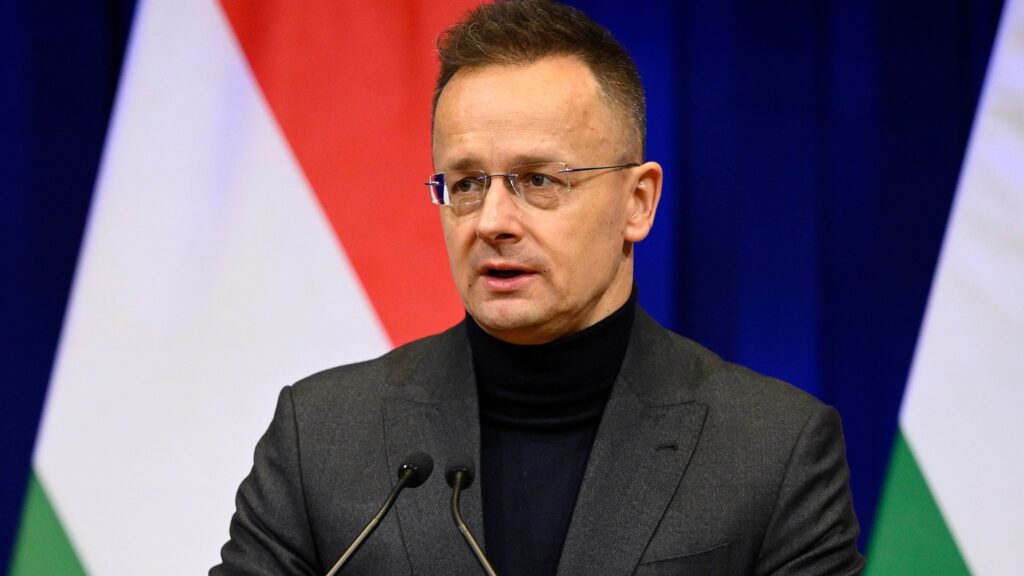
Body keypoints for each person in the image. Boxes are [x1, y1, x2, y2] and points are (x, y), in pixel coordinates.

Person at [212, 1, 864, 575]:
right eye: (467, 183)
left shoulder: (771, 450)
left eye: (539, 180)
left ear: (638, 202)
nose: (492, 221)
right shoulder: (323, 437)